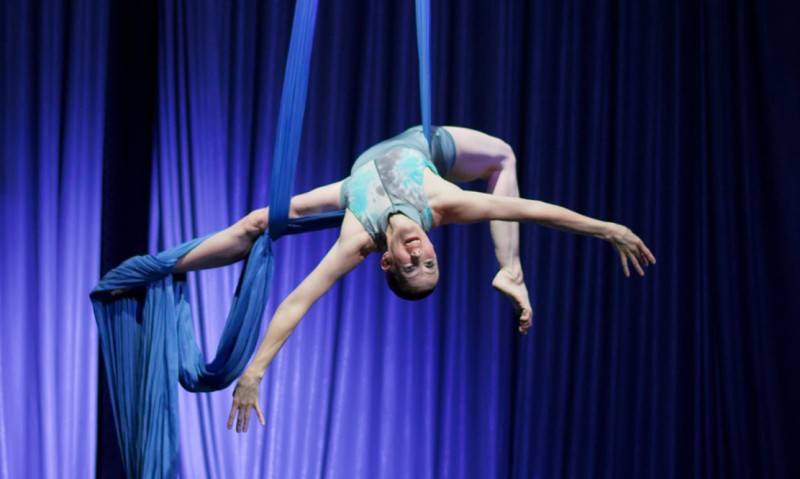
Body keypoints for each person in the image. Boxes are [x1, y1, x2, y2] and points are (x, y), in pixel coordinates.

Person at [172, 125, 656, 433]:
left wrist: (253, 373)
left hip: (352, 186)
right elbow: (531, 210)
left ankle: (169, 265)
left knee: (260, 222)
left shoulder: (357, 237)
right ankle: (511, 271)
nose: (420, 251)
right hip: (422, 146)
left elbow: (298, 302)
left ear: (385, 262)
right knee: (502, 157)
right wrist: (606, 228)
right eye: (429, 261)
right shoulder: (443, 204)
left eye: (410, 263)